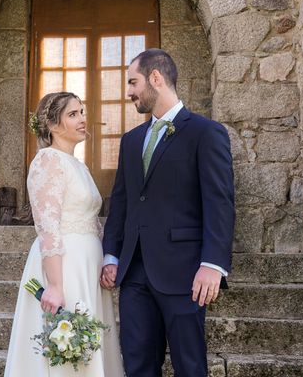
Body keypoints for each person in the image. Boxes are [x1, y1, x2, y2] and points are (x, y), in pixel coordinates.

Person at [100, 48, 235, 377]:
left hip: (185, 273)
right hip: (133, 275)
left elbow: (219, 201)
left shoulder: (206, 133)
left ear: (156, 78)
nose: (129, 92)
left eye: (133, 82)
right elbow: (122, 202)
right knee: (137, 365)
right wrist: (111, 256)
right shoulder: (131, 141)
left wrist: (213, 265)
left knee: (190, 366)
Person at [4, 91, 124, 377]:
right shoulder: (48, 160)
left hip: (87, 266)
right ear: (53, 124)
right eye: (73, 114)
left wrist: (105, 261)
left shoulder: (78, 166)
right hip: (65, 266)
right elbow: (48, 226)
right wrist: (55, 286)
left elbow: (91, 221)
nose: (83, 119)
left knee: (88, 349)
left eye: (82, 112)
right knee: (67, 352)